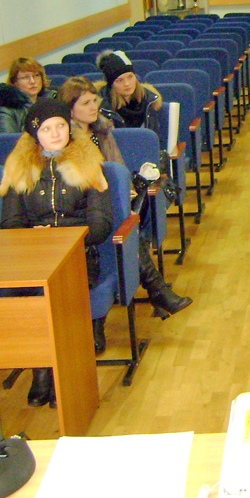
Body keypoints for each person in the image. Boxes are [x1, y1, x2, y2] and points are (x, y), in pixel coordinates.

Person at [58, 77, 191, 353]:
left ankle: (107, 321)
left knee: (125, 226)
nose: (94, 106)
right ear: (70, 109)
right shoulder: (66, 140)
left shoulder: (103, 130)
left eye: (95, 100)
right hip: (83, 210)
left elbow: (117, 169)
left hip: (111, 203)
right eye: (85, 103)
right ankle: (156, 291)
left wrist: (126, 194)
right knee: (122, 231)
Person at [0, 99, 111, 407]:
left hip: (77, 255)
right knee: (30, 294)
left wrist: (61, 237)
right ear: (35, 135)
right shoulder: (19, 168)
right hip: (33, 259)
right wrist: (33, 238)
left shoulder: (89, 164)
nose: (56, 133)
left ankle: (58, 372)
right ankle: (43, 368)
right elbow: (9, 223)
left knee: (55, 294)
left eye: (61, 126)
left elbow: (100, 225)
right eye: (47, 129)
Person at [96, 51, 163, 137]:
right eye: (119, 80)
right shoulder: (102, 107)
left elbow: (158, 137)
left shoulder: (149, 100)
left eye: (130, 77)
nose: (127, 84)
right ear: (111, 85)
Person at [0, 57, 56, 133]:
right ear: (14, 82)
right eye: (25, 77)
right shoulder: (4, 111)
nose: (32, 81)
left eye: (36, 75)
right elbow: (7, 139)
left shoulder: (53, 99)